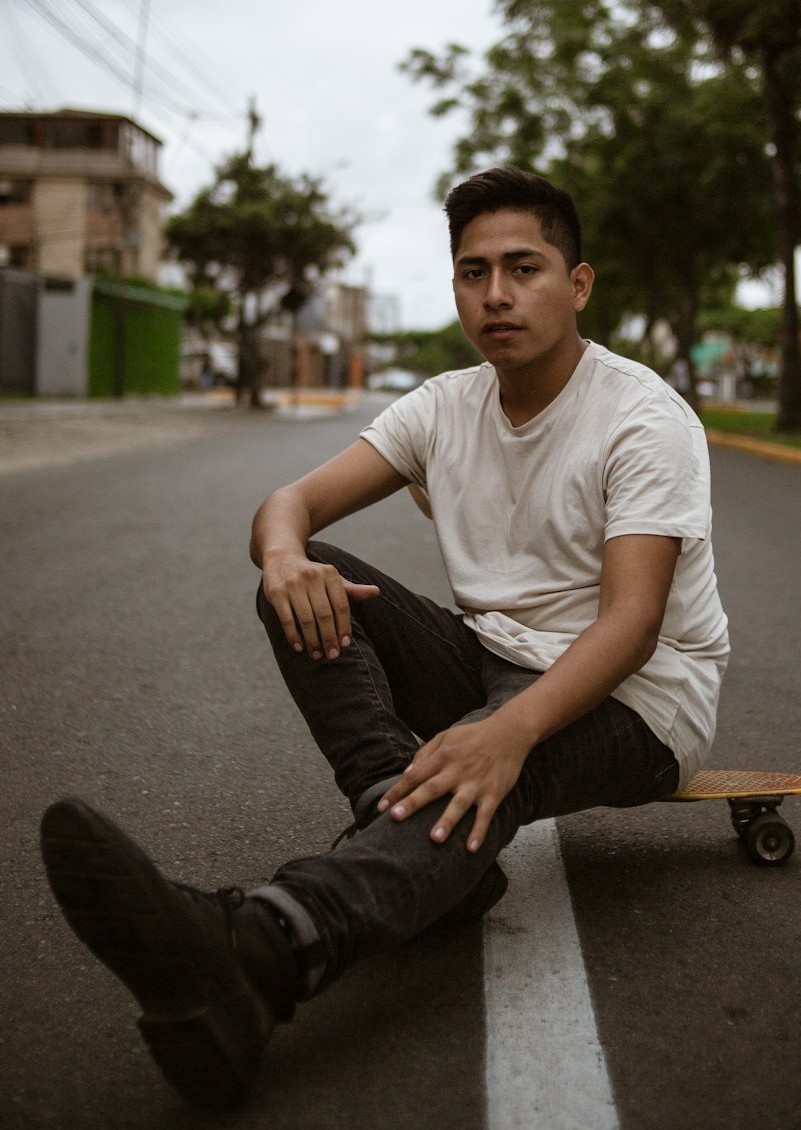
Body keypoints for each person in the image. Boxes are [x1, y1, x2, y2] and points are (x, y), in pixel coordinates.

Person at [40, 166, 729, 1110]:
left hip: (643, 700)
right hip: (493, 658)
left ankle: (265, 947)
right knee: (311, 578)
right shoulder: (446, 404)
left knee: (495, 767)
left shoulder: (644, 417)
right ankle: (404, 834)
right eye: (472, 271)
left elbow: (634, 623)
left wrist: (507, 731)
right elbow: (289, 507)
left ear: (578, 285)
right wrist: (283, 557)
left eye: (523, 267)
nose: (495, 293)